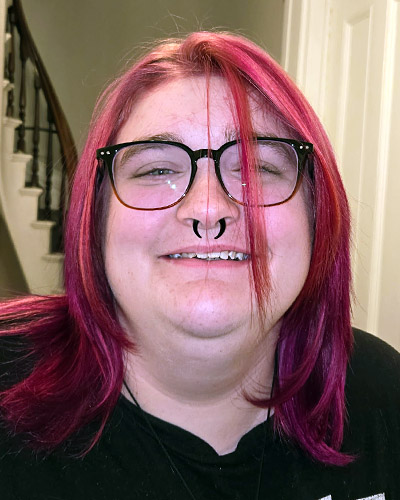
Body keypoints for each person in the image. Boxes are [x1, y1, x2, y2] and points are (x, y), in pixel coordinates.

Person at [0, 31, 399, 500]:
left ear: (317, 213)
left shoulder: (382, 394)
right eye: (156, 170)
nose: (208, 208)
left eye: (258, 168)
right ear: (96, 217)